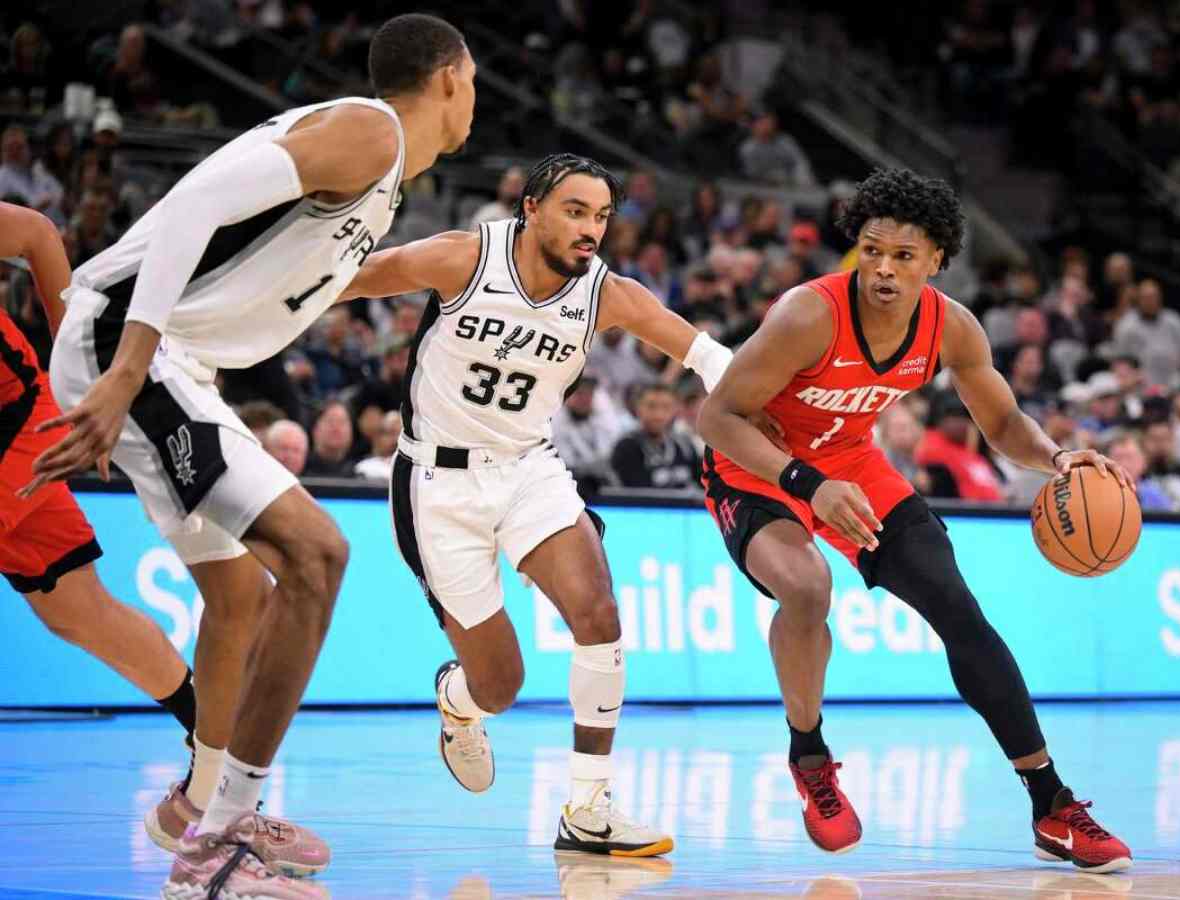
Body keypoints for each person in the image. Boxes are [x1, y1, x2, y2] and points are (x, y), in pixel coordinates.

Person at [25, 14, 477, 898]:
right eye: (475, 81)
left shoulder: (379, 179)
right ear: (450, 77)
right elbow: (198, 198)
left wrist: (434, 269)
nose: (477, 101)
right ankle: (225, 839)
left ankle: (198, 807)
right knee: (318, 553)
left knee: (243, 596)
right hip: (135, 342)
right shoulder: (368, 130)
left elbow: (325, 276)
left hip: (172, 360)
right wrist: (124, 369)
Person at [697, 168, 1134, 872]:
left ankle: (1050, 804)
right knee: (807, 588)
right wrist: (807, 484)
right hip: (757, 464)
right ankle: (810, 756)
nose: (884, 269)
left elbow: (999, 421)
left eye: (903, 257)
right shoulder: (808, 315)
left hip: (849, 461)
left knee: (957, 607)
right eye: (872, 250)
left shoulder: (949, 327)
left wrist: (1057, 458)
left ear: (936, 261)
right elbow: (716, 416)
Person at [339, 152, 743, 859]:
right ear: (531, 208)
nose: (591, 229)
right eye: (576, 211)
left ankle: (588, 809)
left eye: (602, 217)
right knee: (501, 685)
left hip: (529, 469)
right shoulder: (464, 257)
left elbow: (705, 355)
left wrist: (773, 400)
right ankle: (460, 700)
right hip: (438, 484)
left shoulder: (606, 293)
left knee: (600, 614)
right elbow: (340, 280)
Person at [0, 200, 198, 760]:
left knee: (82, 611)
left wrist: (78, 368)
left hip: (17, 417)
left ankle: (220, 758)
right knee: (77, 612)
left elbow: (37, 232)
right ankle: (211, 735)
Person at [610, 383, 701, 490]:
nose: (659, 415)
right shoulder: (626, 447)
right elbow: (633, 495)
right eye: (651, 406)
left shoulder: (684, 445)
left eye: (666, 407)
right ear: (637, 408)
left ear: (675, 410)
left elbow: (703, 483)